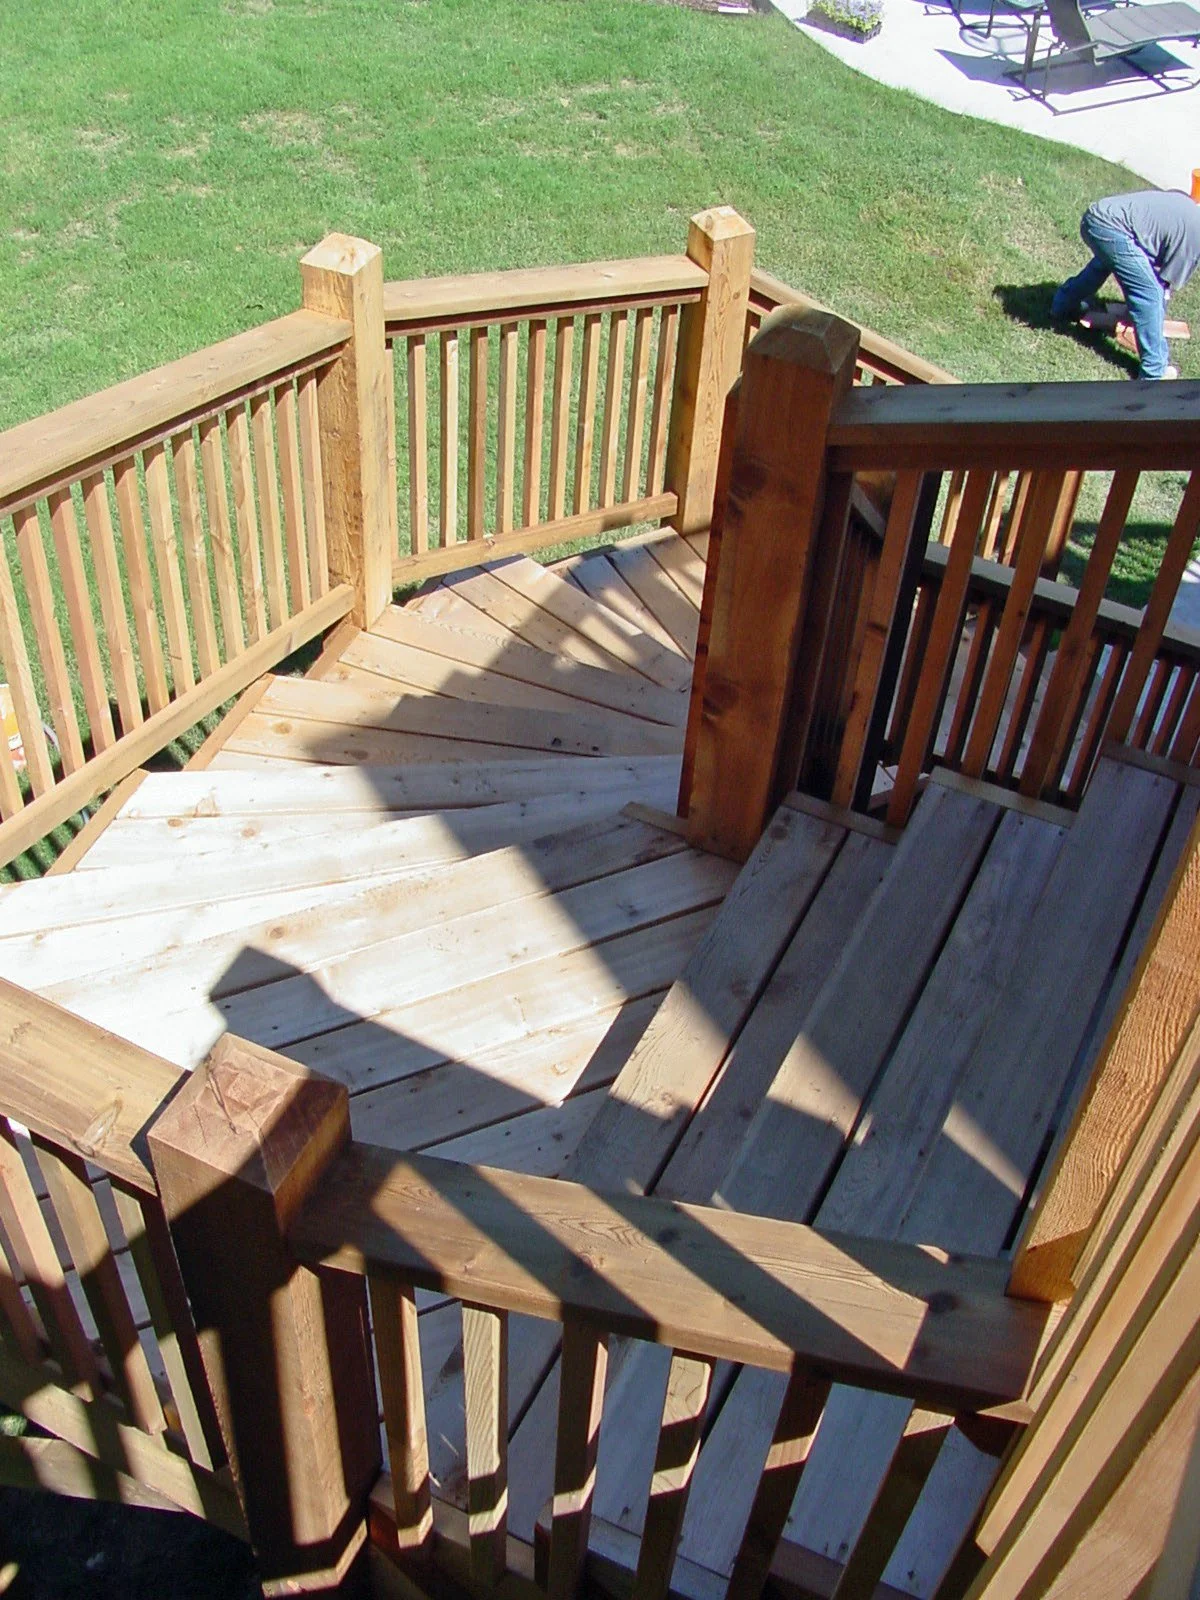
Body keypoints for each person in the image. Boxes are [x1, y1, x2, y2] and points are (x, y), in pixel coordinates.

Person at [1051, 189, 1200, 380]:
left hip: (1096, 216)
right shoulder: (1194, 241)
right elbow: (1164, 284)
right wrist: (1146, 312)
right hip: (1112, 229)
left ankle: (1063, 306)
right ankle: (1155, 372)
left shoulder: (1188, 210)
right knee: (1150, 293)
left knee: (1104, 264)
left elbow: (1152, 253)